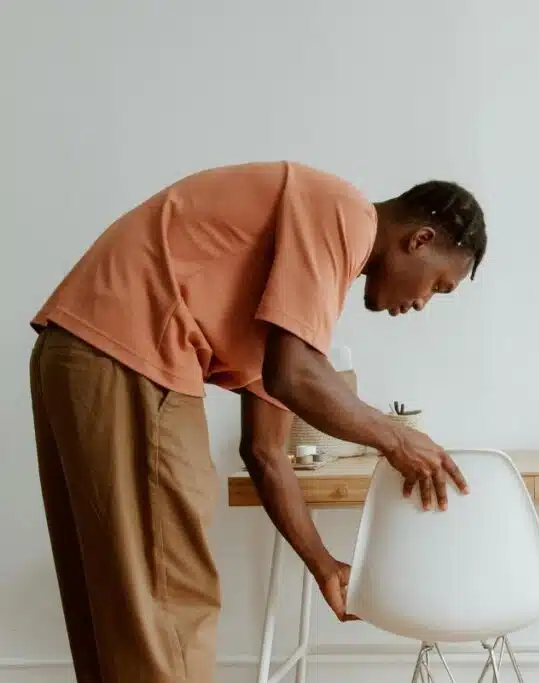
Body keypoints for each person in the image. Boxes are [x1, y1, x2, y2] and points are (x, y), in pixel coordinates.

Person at [28, 160, 486, 683]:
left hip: (80, 351)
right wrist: (394, 437)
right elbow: (297, 377)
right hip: (129, 353)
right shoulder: (345, 212)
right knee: (168, 596)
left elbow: (266, 453)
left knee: (120, 607)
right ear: (419, 240)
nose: (423, 302)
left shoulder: (295, 293)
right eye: (439, 286)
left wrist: (323, 564)